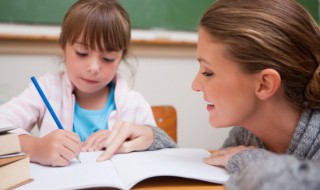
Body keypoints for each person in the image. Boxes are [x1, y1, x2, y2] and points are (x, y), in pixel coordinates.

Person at [97, 0, 320, 189]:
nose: (195, 85)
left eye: (208, 72)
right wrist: (155, 141)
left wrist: (247, 160)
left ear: (264, 84)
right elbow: (209, 170)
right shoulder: (247, 135)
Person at [0, 0, 176, 167]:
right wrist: (36, 148)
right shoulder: (46, 89)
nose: (93, 67)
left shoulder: (134, 104)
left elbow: (167, 155)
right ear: (63, 46)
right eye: (82, 53)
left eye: (107, 58)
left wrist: (150, 136)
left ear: (121, 57)